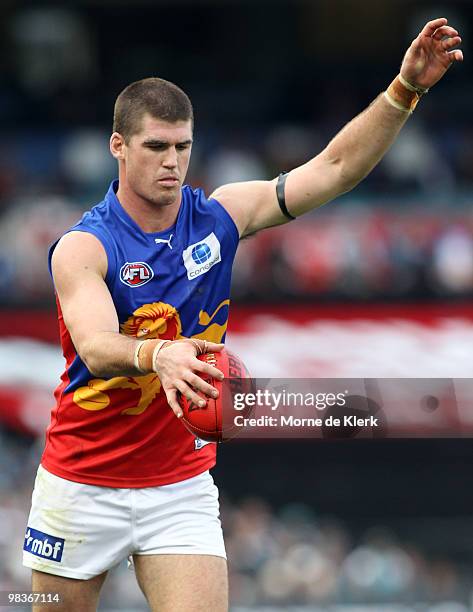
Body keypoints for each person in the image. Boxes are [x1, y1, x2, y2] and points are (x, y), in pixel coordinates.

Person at [23, 17, 462, 612]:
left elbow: (333, 171)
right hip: (80, 482)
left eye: (182, 147)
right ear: (118, 146)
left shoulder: (221, 215)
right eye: (155, 147)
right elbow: (97, 345)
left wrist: (405, 91)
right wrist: (158, 352)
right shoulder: (85, 247)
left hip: (178, 484)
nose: (171, 163)